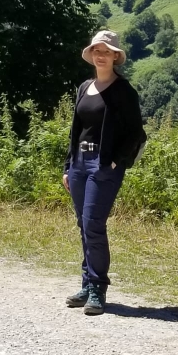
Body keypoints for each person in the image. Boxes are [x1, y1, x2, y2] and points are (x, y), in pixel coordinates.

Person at [63, 30, 144, 316]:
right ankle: (87, 285)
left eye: (107, 51)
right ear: (92, 54)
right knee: (83, 225)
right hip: (79, 163)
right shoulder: (85, 87)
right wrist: (68, 166)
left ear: (115, 57)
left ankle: (98, 287)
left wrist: (114, 162)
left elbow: (135, 134)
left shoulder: (124, 91)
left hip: (103, 164)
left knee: (93, 224)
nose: (101, 55)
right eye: (97, 50)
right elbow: (76, 130)